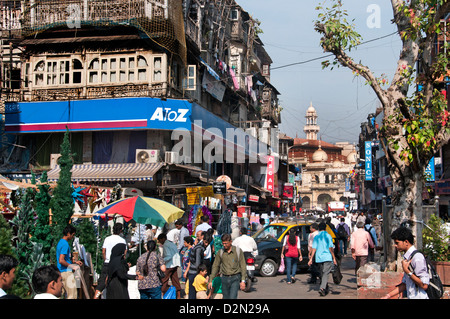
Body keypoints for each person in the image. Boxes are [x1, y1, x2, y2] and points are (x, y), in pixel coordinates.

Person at [381, 227, 430, 299]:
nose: (395, 245)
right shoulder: (407, 257)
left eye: (397, 243)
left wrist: (407, 271)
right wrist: (388, 296)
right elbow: (404, 284)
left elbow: (424, 285)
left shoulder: (417, 257)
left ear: (406, 242)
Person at [209, 233, 247, 299]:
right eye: (223, 243)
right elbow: (215, 266)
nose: (224, 245)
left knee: (233, 297)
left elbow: (243, 266)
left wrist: (243, 281)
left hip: (235, 277)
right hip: (224, 278)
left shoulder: (238, 251)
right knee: (226, 297)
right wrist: (211, 280)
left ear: (230, 242)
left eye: (226, 243)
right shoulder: (220, 252)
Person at [94, 222, 127, 299]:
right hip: (117, 265)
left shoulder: (107, 239)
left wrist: (106, 259)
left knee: (101, 284)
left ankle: (95, 297)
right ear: (121, 230)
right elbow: (124, 254)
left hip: (107, 263)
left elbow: (103, 251)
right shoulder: (122, 240)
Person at [308, 222, 337, 296]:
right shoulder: (328, 236)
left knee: (322, 273)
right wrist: (334, 258)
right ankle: (322, 288)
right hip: (327, 257)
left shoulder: (317, 236)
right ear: (325, 228)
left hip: (319, 257)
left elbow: (314, 248)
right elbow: (331, 248)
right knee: (325, 273)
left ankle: (324, 287)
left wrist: (311, 258)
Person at [56, 224, 83, 299]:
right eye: (73, 234)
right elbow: (61, 260)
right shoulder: (65, 244)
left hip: (61, 271)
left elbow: (64, 259)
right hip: (67, 272)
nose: (73, 237)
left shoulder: (60, 242)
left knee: (60, 295)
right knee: (72, 295)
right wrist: (72, 266)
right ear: (68, 233)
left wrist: (74, 262)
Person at [157, 233, 182, 299]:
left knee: (164, 280)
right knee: (175, 280)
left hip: (169, 265)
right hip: (175, 264)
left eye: (160, 240)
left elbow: (168, 256)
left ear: (163, 239)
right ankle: (178, 295)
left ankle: (161, 295)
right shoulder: (171, 243)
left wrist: (161, 261)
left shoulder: (165, 245)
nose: (160, 242)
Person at [187, 233, 209, 299]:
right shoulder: (199, 248)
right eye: (206, 242)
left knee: (192, 292)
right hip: (194, 273)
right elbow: (198, 263)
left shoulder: (198, 247)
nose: (207, 244)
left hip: (193, 272)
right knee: (193, 293)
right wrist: (200, 273)